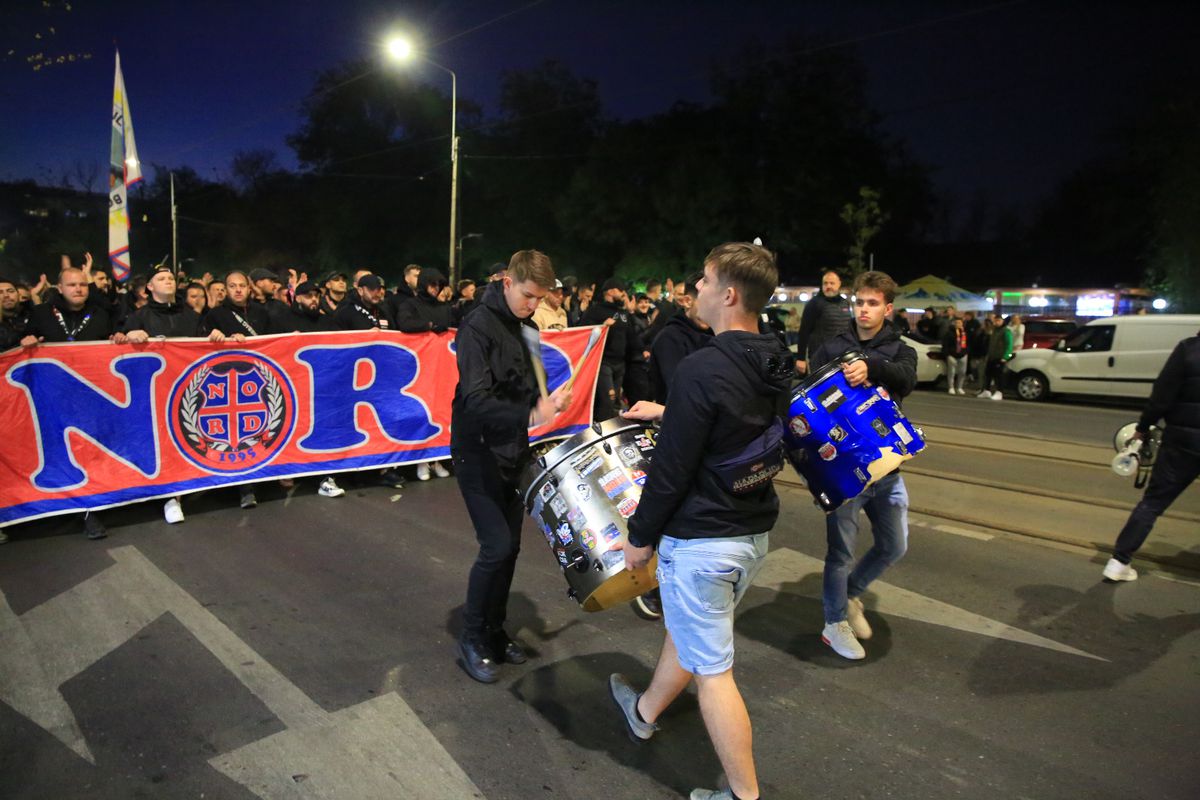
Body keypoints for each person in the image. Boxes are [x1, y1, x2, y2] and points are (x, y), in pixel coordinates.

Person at [610, 242, 791, 800]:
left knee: (714, 673)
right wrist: (674, 410)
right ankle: (643, 711)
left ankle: (743, 795)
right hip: (751, 531)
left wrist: (640, 539)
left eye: (706, 281)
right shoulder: (775, 357)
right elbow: (737, 424)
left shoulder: (701, 367)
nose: (697, 290)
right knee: (692, 634)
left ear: (729, 294)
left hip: (703, 540)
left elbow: (671, 468)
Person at [451, 249, 571, 683]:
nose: (533, 305)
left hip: (512, 450)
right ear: (507, 281)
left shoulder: (529, 327)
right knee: (495, 547)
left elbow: (524, 389)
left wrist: (548, 400)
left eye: (539, 298)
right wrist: (530, 415)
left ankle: (495, 631)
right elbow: (477, 400)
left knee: (512, 549)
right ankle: (471, 637)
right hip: (477, 450)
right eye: (528, 295)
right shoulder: (476, 327)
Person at [808, 271, 917, 660]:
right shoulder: (831, 347)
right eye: (860, 302)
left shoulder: (900, 350)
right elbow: (809, 399)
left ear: (888, 309)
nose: (864, 310)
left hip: (888, 468)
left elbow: (906, 379)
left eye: (873, 303)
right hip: (843, 470)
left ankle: (852, 594)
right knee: (840, 552)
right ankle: (833, 622)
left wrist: (871, 366)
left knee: (894, 545)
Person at [629, 269, 713, 622]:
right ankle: (649, 584)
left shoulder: (725, 335)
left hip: (706, 438)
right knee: (666, 515)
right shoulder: (670, 339)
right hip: (671, 435)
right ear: (688, 300)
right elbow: (687, 396)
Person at [118, 266, 229, 523]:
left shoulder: (192, 315)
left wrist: (217, 337)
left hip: (189, 391)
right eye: (161, 279)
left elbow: (204, 344)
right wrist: (128, 336)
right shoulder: (138, 316)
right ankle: (171, 497)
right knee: (164, 443)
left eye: (170, 278)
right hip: (155, 393)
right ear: (149, 288)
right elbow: (117, 345)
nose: (168, 281)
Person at [19, 266, 116, 540]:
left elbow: (112, 344)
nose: (78, 289)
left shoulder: (100, 314)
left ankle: (93, 501)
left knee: (90, 453)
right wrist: (23, 341)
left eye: (83, 285)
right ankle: (85, 510)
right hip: (51, 399)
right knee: (65, 454)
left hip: (92, 396)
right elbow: (18, 348)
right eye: (72, 285)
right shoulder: (40, 315)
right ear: (59, 288)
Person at [1103, 331, 1200, 581]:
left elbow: (1162, 394)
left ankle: (1119, 562)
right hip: (1184, 440)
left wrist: (1143, 427)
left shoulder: (1189, 350)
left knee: (1152, 503)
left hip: (1182, 442)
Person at [395, 268, 454, 482]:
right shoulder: (410, 305)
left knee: (441, 412)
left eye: (439, 285)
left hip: (442, 368)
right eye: (432, 284)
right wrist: (428, 326)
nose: (436, 289)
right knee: (422, 413)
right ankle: (421, 459)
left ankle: (437, 458)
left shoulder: (443, 307)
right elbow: (405, 323)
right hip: (418, 369)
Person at [581, 277, 644, 421]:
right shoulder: (595, 311)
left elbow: (632, 336)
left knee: (614, 402)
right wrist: (602, 326)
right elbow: (582, 332)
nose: (624, 295)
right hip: (604, 363)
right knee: (607, 400)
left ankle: (611, 433)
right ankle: (600, 435)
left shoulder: (623, 313)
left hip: (620, 365)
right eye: (621, 291)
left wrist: (643, 350)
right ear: (610, 291)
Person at [794, 269, 851, 374]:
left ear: (839, 284)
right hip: (819, 358)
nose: (828, 286)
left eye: (832, 283)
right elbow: (804, 331)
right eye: (825, 283)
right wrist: (800, 358)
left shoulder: (845, 303)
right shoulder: (814, 304)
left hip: (842, 358)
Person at [978, 313, 1012, 400]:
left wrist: (1005, 357)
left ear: (1002, 321)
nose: (997, 322)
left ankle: (999, 392)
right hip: (991, 356)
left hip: (1000, 357)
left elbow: (1009, 345)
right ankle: (987, 390)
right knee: (988, 374)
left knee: (998, 376)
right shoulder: (994, 331)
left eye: (998, 320)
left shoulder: (1006, 331)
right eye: (995, 320)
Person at [941, 316, 970, 395]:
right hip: (952, 355)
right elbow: (945, 344)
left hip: (963, 354)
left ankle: (959, 387)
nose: (958, 324)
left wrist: (966, 352)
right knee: (951, 372)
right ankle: (951, 387)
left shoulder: (964, 333)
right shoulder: (949, 333)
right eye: (956, 323)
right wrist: (947, 354)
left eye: (959, 323)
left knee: (962, 372)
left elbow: (969, 344)